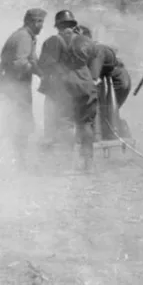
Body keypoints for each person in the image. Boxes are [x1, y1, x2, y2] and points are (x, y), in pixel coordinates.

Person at [38, 10, 99, 171]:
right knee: (86, 124)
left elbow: (43, 64)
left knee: (66, 123)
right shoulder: (85, 40)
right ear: (73, 25)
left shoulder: (51, 42)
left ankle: (69, 164)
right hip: (86, 86)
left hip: (64, 88)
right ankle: (88, 163)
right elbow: (95, 57)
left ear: (58, 26)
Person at [0, 8, 46, 170]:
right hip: (16, 88)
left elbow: (32, 60)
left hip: (14, 86)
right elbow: (20, 63)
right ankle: (20, 162)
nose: (42, 27)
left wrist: (42, 73)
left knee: (18, 122)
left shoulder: (25, 36)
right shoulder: (24, 37)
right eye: (40, 22)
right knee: (20, 123)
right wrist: (33, 68)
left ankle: (19, 160)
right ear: (34, 22)